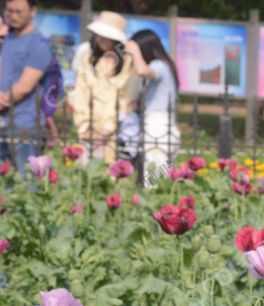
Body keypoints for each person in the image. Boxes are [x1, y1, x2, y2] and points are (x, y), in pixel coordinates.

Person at [68, 11, 139, 163]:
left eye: (105, 36)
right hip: (88, 132)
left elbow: (127, 99)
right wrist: (85, 128)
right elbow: (80, 94)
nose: (100, 39)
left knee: (113, 177)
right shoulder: (87, 58)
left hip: (116, 133)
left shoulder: (128, 63)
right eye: (98, 35)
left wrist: (108, 130)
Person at [0, 0, 53, 180]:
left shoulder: (39, 44)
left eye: (19, 12)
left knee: (26, 184)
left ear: (33, 11)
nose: (13, 16)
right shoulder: (8, 38)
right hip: (3, 122)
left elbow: (24, 86)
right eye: (9, 11)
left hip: (24, 125)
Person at [124, 29, 180, 185]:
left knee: (153, 180)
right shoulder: (166, 65)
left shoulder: (159, 65)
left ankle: (154, 205)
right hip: (163, 125)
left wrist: (133, 49)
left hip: (157, 127)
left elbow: (142, 70)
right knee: (161, 176)